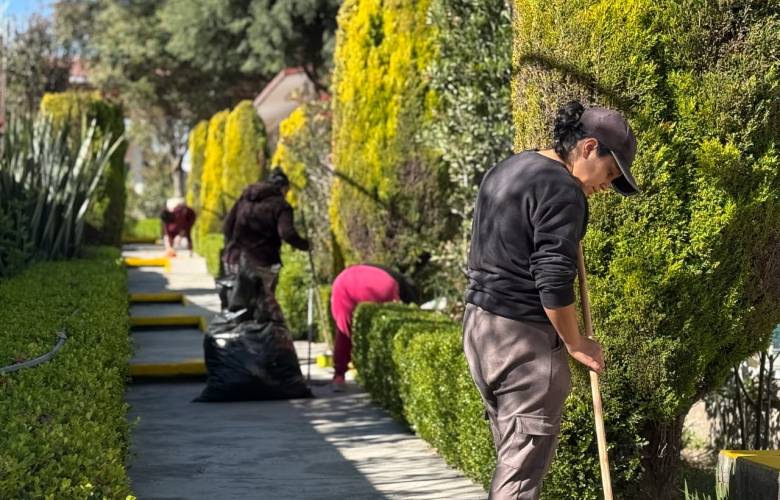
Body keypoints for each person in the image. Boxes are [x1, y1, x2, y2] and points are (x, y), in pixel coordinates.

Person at [463, 101, 640, 499]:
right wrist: (577, 344)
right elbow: (553, 280)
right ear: (589, 147)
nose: (606, 186)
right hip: (522, 341)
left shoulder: (510, 168)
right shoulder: (562, 189)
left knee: (513, 461)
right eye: (610, 173)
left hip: (480, 330)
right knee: (519, 480)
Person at [222, 168, 310, 322]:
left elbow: (227, 226)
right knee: (263, 307)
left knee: (238, 307)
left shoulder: (245, 198)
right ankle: (260, 341)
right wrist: (306, 245)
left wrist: (236, 246)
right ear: (283, 187)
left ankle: (238, 340)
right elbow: (287, 234)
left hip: (235, 260)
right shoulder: (281, 205)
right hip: (264, 262)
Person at [329, 264, 418, 392]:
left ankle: (339, 376)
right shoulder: (403, 288)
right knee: (385, 332)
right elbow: (412, 314)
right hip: (379, 286)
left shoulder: (393, 276)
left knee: (344, 330)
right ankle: (380, 376)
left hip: (344, 283)